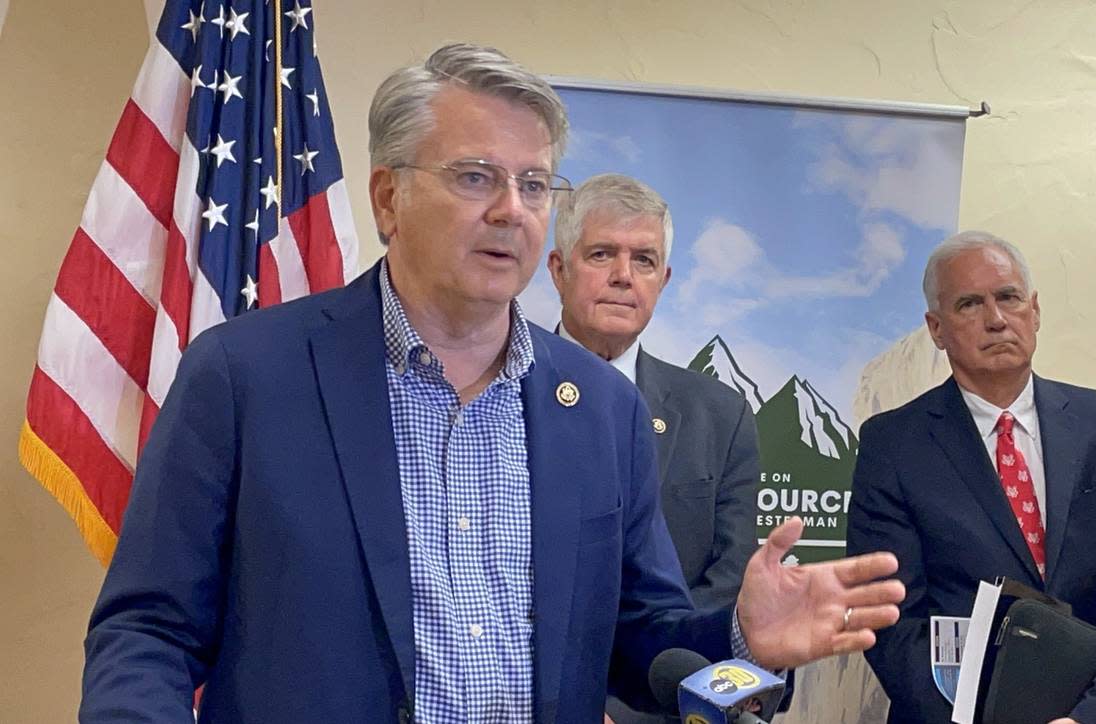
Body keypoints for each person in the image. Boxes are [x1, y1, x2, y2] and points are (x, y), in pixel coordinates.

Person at [80, 43, 904, 723]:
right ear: (389, 196)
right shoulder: (244, 375)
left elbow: (638, 637)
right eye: (476, 176)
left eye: (535, 183)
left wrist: (739, 639)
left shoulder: (602, 408)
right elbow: (148, 631)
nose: (512, 208)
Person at [847, 230, 1096, 724]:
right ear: (936, 329)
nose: (997, 319)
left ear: (1035, 310)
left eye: (1008, 297)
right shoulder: (893, 444)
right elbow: (891, 619)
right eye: (969, 304)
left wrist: (1095, 716)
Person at [547, 175, 765, 722]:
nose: (623, 275)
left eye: (643, 260)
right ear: (558, 269)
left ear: (663, 280)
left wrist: (635, 704)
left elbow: (726, 581)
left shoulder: (722, 414)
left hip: (668, 705)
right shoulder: (500, 390)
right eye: (601, 254)